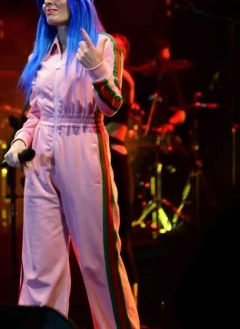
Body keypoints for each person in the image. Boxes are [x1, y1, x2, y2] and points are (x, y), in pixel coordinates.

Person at [4, 0, 140, 329]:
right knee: (40, 264)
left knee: (98, 259)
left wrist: (97, 70)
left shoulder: (103, 45)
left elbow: (111, 106)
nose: (47, 1)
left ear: (79, 0)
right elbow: (36, 114)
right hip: (41, 158)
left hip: (84, 148)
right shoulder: (42, 55)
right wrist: (20, 141)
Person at [103, 33, 139, 305]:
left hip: (114, 156)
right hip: (101, 157)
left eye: (116, 48)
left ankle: (131, 304)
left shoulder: (123, 79)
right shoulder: (100, 78)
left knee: (121, 232)